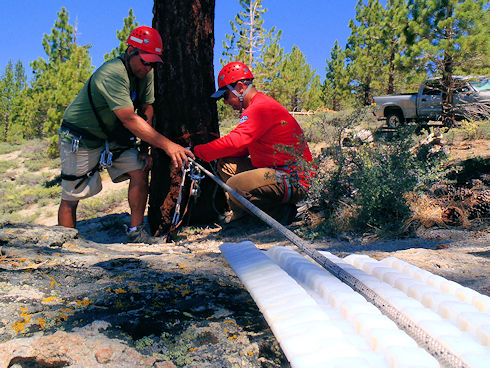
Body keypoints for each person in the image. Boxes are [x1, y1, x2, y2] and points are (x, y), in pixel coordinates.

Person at [57, 25, 194, 243]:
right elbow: (129, 118)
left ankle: (135, 233)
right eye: (145, 61)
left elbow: (147, 108)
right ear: (131, 51)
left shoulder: (144, 72)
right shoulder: (112, 72)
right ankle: (64, 244)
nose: (148, 68)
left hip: (113, 135)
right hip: (80, 137)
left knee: (139, 169)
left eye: (152, 63)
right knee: (71, 195)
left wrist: (144, 148)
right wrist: (168, 145)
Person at [193, 61, 313, 224]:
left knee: (235, 185)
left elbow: (236, 141)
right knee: (226, 165)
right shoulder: (258, 106)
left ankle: (278, 214)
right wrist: (208, 153)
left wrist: (196, 152)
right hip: (280, 174)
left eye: (226, 96)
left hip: (293, 178)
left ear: (240, 87)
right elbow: (241, 148)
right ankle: (251, 216)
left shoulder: (260, 107)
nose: (226, 102)